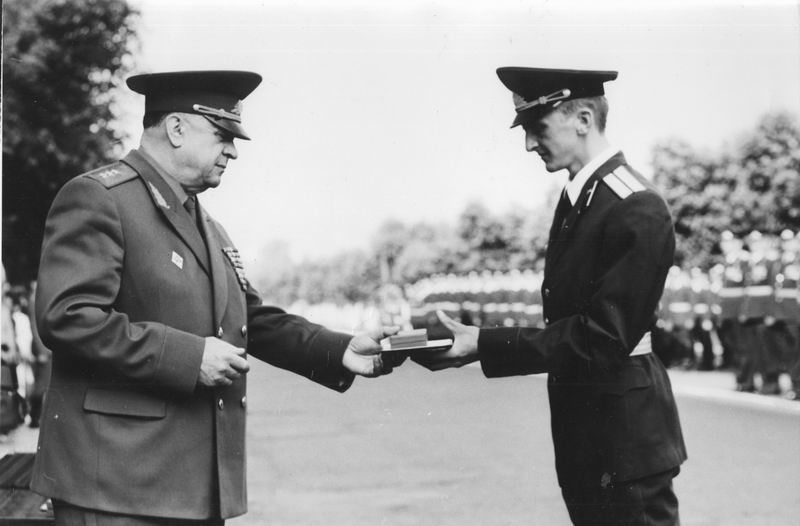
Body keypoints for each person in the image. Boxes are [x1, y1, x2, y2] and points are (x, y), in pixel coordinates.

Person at [31, 70, 397, 525]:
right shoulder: (99, 198)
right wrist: (189, 358)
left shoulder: (208, 227)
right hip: (115, 487)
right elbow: (67, 317)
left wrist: (340, 350)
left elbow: (250, 318)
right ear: (176, 128)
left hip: (189, 489)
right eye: (223, 135)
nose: (233, 151)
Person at [412, 67, 686, 525]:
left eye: (538, 127)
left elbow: (603, 338)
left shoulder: (635, 204)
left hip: (626, 439)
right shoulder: (581, 197)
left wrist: (484, 344)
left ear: (583, 119)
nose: (528, 144)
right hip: (590, 433)